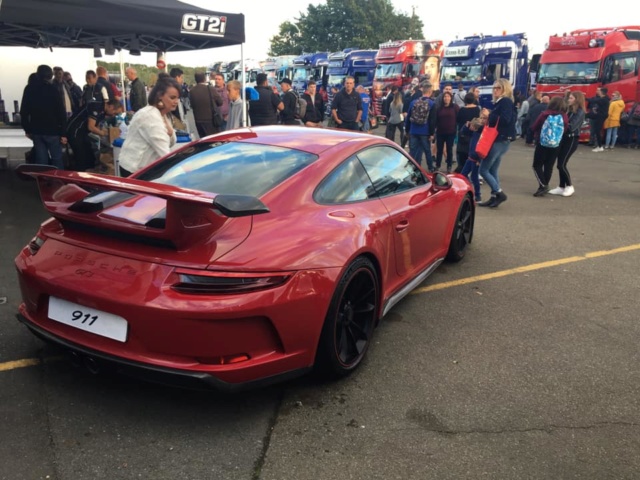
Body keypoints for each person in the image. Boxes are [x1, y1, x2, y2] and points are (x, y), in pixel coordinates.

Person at [117, 77, 180, 177]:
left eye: (177, 98)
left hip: (140, 168)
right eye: (172, 97)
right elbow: (165, 153)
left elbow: (171, 142)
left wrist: (170, 130)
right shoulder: (150, 116)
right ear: (160, 96)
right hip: (134, 170)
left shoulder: (162, 114)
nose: (176, 101)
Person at [477, 78, 517, 208]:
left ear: (505, 89)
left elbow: (505, 120)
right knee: (493, 170)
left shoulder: (505, 101)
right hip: (502, 139)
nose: (495, 90)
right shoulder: (503, 102)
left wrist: (490, 115)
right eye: (494, 88)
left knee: (483, 169)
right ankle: (494, 196)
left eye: (498, 88)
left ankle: (499, 193)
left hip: (500, 139)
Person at [20, 64, 68, 169]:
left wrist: (27, 129)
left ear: (37, 75)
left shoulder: (29, 89)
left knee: (41, 160)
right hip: (53, 130)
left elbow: (24, 111)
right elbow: (61, 112)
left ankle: (43, 182)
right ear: (50, 76)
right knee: (57, 158)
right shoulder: (53, 89)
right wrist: (64, 133)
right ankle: (58, 182)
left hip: (36, 130)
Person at [548, 91, 586, 197]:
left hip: (571, 139)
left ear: (577, 99)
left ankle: (569, 185)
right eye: (569, 98)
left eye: (571, 98)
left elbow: (572, 126)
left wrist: (558, 124)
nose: (569, 99)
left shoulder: (579, 111)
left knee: (562, 164)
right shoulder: (568, 110)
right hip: (563, 138)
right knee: (560, 163)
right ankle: (561, 186)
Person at [530, 96, 569, 197]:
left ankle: (543, 185)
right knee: (549, 166)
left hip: (542, 142)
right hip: (556, 144)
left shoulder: (545, 114)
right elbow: (565, 129)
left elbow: (535, 126)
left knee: (536, 165)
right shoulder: (564, 116)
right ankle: (544, 186)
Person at [405, 82, 437, 172]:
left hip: (413, 130)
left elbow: (408, 117)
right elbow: (432, 120)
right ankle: (430, 168)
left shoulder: (413, 102)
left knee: (412, 151)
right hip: (425, 131)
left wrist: (407, 130)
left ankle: (411, 167)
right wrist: (431, 133)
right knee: (427, 151)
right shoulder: (431, 103)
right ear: (430, 92)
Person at [460, 109, 490, 203]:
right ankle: (465, 192)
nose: (481, 120)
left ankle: (478, 195)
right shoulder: (475, 131)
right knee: (463, 175)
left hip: (476, 158)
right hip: (470, 157)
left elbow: (483, 146)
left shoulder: (483, 132)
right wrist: (467, 126)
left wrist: (480, 159)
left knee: (474, 177)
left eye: (483, 118)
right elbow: (464, 132)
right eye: (480, 117)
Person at [189, 71, 223, 138]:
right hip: (210, 120)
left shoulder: (192, 91)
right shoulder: (210, 89)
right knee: (213, 140)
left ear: (196, 79)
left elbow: (191, 105)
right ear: (204, 79)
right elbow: (220, 102)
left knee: (203, 140)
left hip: (198, 120)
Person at [455, 93, 481, 173]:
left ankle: (461, 171)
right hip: (474, 135)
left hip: (463, 135)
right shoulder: (477, 109)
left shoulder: (462, 110)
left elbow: (458, 121)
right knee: (471, 155)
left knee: (461, 156)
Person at [434, 90, 459, 172]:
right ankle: (438, 165)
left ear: (451, 98)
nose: (446, 98)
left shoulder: (455, 107)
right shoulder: (439, 108)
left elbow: (458, 118)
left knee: (449, 150)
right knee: (439, 150)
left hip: (451, 132)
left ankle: (449, 166)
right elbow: (436, 120)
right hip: (440, 132)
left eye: (448, 96)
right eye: (445, 97)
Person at [586, 87, 609, 151]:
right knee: (597, 130)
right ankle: (599, 145)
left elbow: (593, 100)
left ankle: (599, 146)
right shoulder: (605, 99)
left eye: (599, 91)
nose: (598, 92)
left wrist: (584, 98)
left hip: (600, 116)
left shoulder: (604, 99)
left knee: (597, 130)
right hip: (599, 115)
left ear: (601, 92)